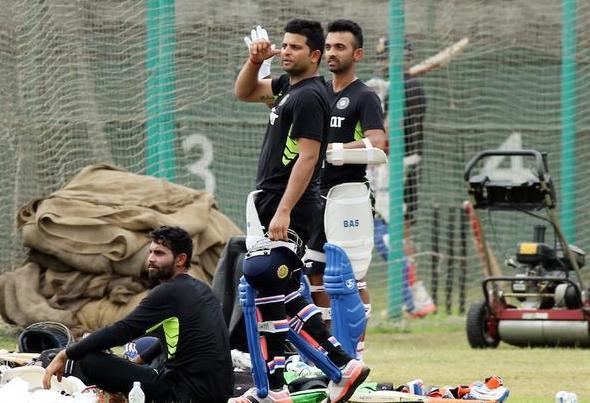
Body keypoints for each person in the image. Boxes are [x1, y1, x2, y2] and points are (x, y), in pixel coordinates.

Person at [233, 18, 369, 403]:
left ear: (314, 56)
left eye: (295, 47)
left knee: (259, 277)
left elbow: (308, 159)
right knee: (283, 293)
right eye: (284, 46)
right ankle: (337, 368)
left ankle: (278, 386)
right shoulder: (288, 88)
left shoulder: (310, 95)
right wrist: (254, 61)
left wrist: (284, 211)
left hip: (285, 203)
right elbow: (244, 91)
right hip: (269, 200)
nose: (286, 52)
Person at [42, 226, 234, 403]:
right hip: (217, 393)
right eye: (150, 252)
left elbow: (122, 331)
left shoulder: (168, 293)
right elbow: (177, 338)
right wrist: (140, 359)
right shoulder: (201, 289)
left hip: (184, 394)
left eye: (159, 254)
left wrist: (67, 353)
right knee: (146, 353)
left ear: (180, 260)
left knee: (89, 360)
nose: (151, 259)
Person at [304, 19, 387, 357]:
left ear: (358, 53)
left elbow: (378, 143)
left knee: (352, 277)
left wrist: (335, 151)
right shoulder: (318, 90)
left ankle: (359, 354)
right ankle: (329, 352)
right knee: (314, 279)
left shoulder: (364, 95)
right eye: (329, 46)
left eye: (341, 47)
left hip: (348, 198)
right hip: (316, 198)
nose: (332, 53)